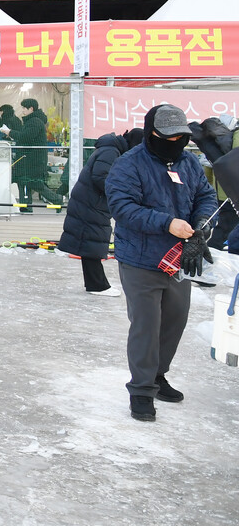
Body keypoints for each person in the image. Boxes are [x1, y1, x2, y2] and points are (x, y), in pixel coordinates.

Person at [106, 104, 216, 422]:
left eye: (181, 137)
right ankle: (141, 390)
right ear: (152, 133)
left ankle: (157, 375)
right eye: (168, 136)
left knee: (174, 320)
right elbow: (122, 207)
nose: (175, 142)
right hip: (140, 259)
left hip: (179, 259)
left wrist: (201, 226)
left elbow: (205, 197)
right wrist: (166, 223)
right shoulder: (129, 165)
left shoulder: (189, 163)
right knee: (146, 325)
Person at [58, 129, 143, 295]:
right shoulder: (111, 151)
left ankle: (96, 284)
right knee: (92, 242)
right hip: (90, 202)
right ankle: (98, 285)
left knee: (90, 242)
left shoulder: (112, 149)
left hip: (91, 201)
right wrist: (120, 192)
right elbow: (100, 176)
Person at [0, 98, 61, 212]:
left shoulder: (34, 122)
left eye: (24, 108)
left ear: (31, 109)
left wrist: (10, 132)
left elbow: (25, 137)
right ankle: (26, 206)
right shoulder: (33, 121)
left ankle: (56, 199)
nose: (22, 110)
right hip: (30, 158)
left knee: (34, 183)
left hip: (32, 159)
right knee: (25, 181)